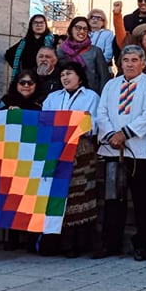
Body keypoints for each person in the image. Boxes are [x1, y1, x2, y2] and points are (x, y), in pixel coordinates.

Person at [93, 45, 146, 260]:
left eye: (134, 60)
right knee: (113, 199)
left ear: (143, 63)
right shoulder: (111, 86)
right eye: (126, 60)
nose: (130, 64)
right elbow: (101, 112)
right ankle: (110, 243)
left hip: (138, 152)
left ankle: (142, 244)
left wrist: (124, 134)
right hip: (113, 149)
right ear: (120, 63)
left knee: (142, 200)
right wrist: (112, 135)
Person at [41, 61, 100, 257]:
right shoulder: (52, 97)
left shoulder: (91, 97)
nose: (65, 78)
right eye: (62, 74)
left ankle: (76, 244)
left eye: (69, 74)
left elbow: (93, 124)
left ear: (80, 76)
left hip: (81, 150)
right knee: (56, 196)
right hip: (56, 150)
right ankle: (54, 242)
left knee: (78, 196)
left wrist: (72, 124)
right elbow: (45, 121)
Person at [0, 68, 44, 252]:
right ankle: (13, 238)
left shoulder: (40, 104)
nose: (26, 86)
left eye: (30, 83)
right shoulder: (5, 103)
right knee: (12, 199)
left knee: (33, 200)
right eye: (22, 82)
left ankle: (31, 239)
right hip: (12, 157)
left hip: (33, 158)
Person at [57, 16, 111, 94]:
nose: (82, 31)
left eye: (85, 29)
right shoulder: (61, 51)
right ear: (71, 29)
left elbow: (104, 77)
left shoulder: (95, 51)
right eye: (78, 28)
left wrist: (102, 97)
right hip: (66, 95)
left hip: (91, 95)